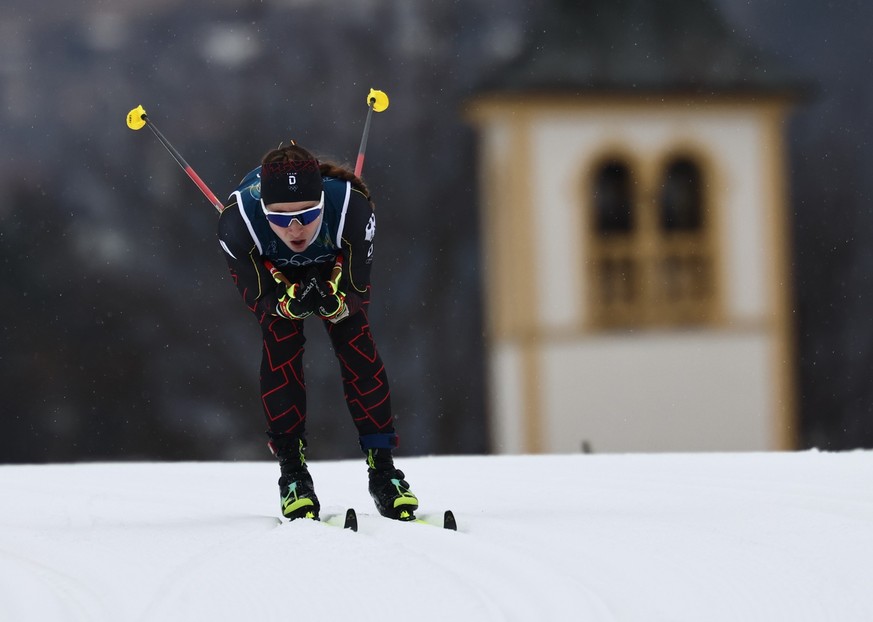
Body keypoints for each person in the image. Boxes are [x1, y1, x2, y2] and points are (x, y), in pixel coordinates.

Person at [217, 141, 418, 522]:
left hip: (333, 266)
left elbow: (357, 291)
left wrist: (338, 299)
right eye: (280, 217)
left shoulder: (351, 209)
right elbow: (260, 298)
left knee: (354, 340)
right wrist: (283, 302)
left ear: (322, 203)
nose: (294, 228)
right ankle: (293, 475)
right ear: (263, 210)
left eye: (306, 214)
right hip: (273, 274)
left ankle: (384, 472)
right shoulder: (237, 222)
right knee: (281, 343)